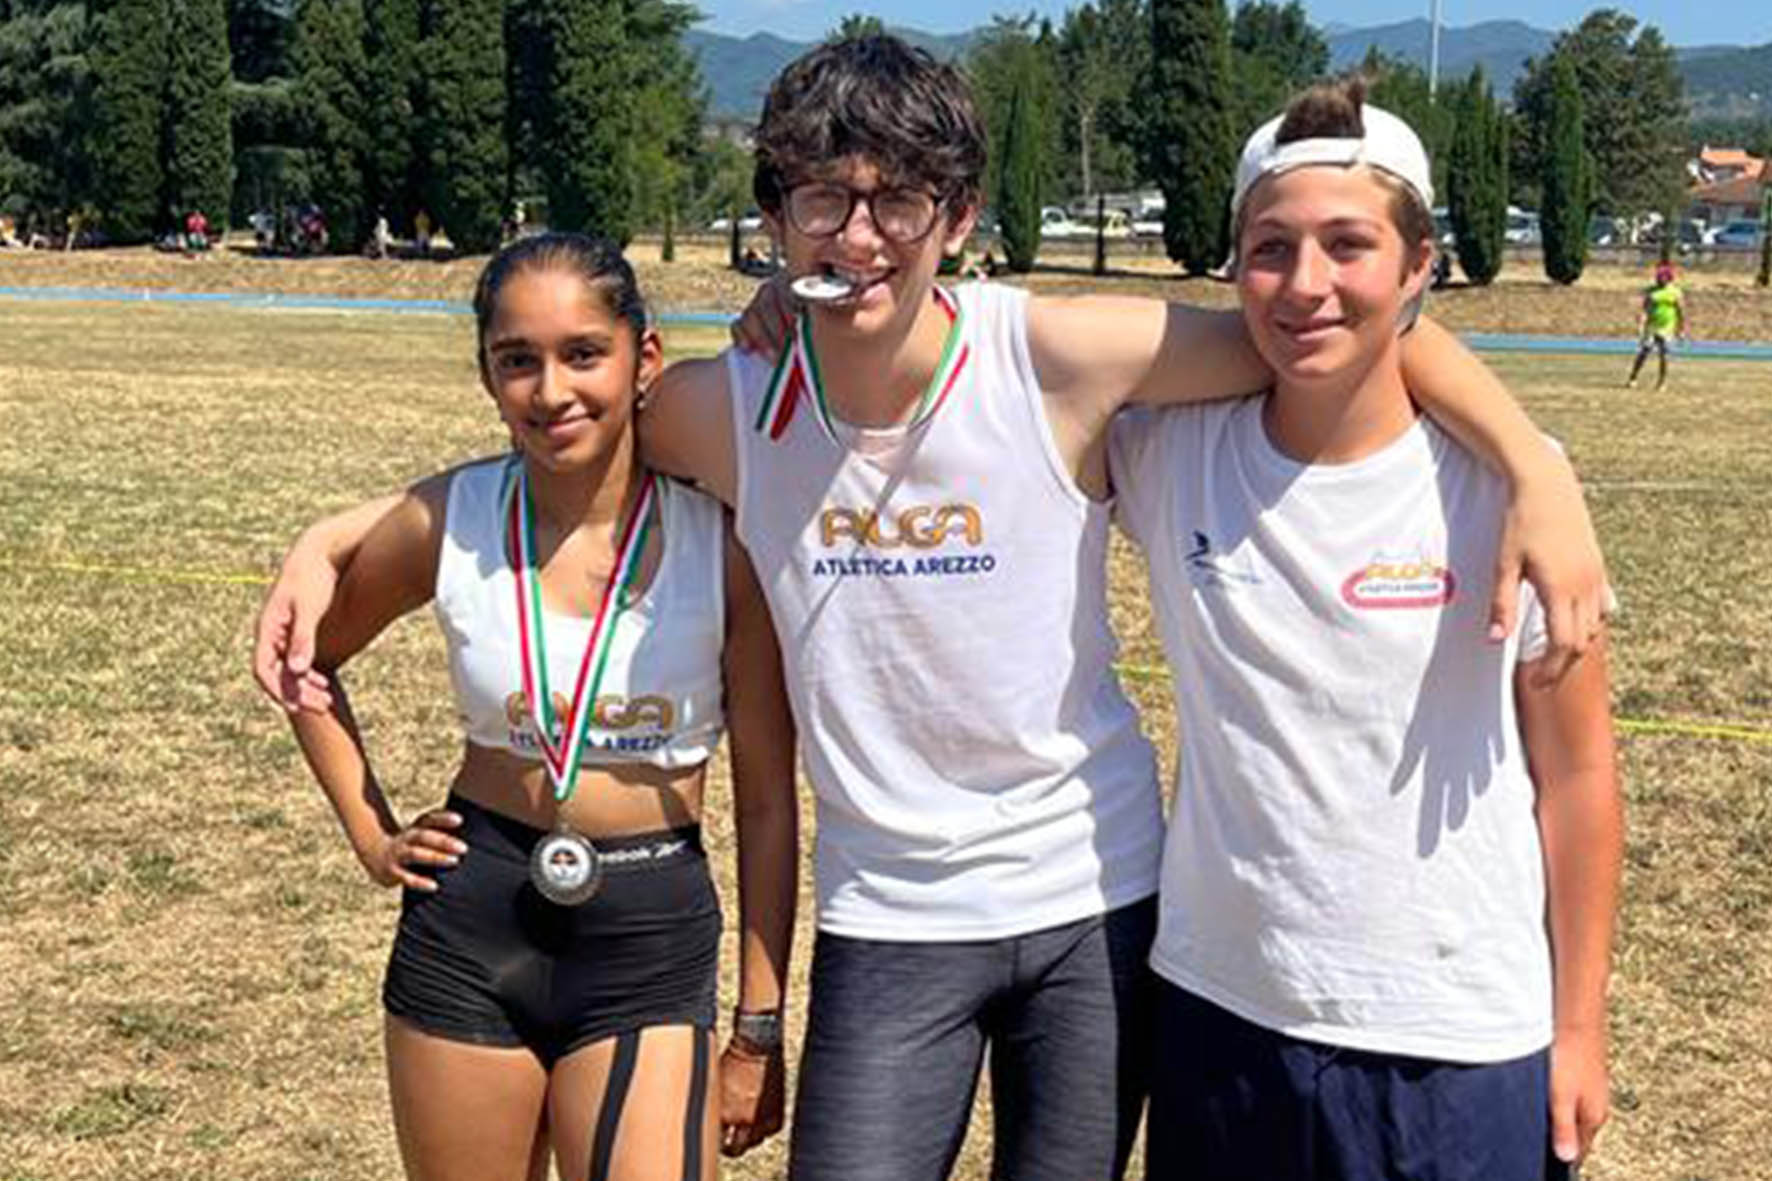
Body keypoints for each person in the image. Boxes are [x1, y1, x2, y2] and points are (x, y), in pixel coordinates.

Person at [256, 36, 1609, 1181]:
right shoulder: (728, 409)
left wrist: (1535, 466)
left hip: (1097, 894)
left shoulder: (1056, 354)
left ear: (958, 216)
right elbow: (561, 428)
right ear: (774, 219)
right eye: (820, 202)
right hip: (890, 912)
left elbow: (1329, 315)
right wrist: (345, 533)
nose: (860, 235)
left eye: (899, 199)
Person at [1109, 82, 1622, 1181]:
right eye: (1268, 248)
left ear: (1418, 265)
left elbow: (1576, 777)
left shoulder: (1506, 496)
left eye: (1348, 245)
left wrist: (1577, 1027)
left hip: (1453, 1037)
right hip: (1220, 1009)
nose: (1305, 285)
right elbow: (999, 355)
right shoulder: (1167, 453)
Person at [275, 232, 797, 1181]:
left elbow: (766, 803)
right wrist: (370, 833)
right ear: (488, 376)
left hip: (647, 930)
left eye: (582, 354)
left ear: (644, 359)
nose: (551, 391)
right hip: (471, 919)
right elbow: (307, 658)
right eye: (518, 360)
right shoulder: (449, 523)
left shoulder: (721, 545)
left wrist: (759, 1027)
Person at [1626, 262, 1687, 390]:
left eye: (1664, 277)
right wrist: (1641, 326)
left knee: (1664, 355)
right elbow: (1645, 309)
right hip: (1652, 326)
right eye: (1659, 277)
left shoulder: (1675, 292)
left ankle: (1662, 382)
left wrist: (1681, 329)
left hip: (1667, 327)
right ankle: (1633, 377)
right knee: (1644, 352)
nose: (1661, 280)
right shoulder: (1652, 292)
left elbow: (1681, 311)